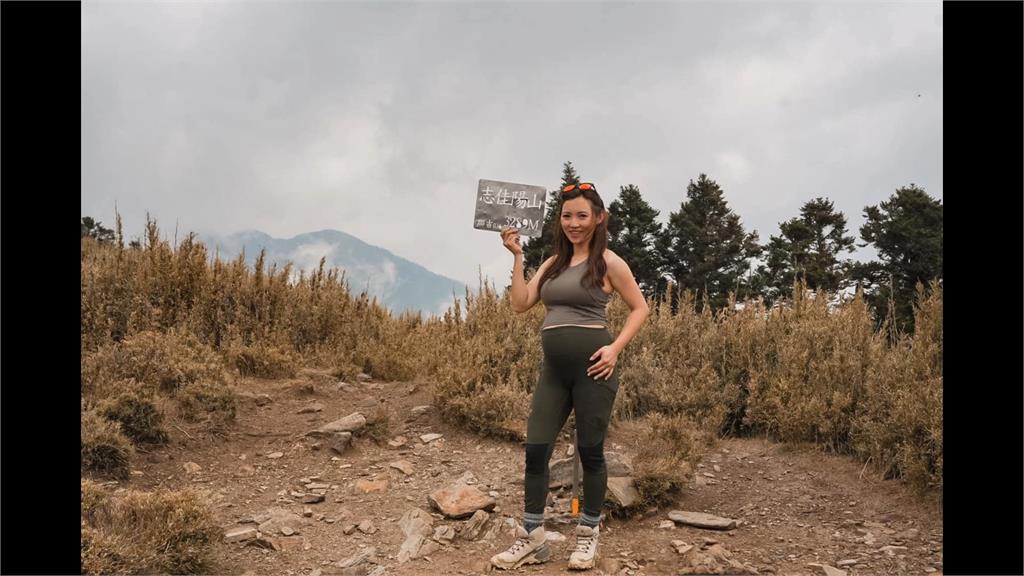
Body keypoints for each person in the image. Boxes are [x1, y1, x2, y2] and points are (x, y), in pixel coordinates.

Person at [490, 182, 650, 571]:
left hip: (593, 370)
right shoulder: (552, 264)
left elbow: (640, 308)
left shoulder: (609, 262)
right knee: (535, 450)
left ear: (598, 218)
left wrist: (614, 350)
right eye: (567, 216)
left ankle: (587, 536)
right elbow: (520, 304)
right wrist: (517, 256)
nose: (574, 223)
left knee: (590, 453)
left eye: (582, 215)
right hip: (554, 374)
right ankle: (532, 539)